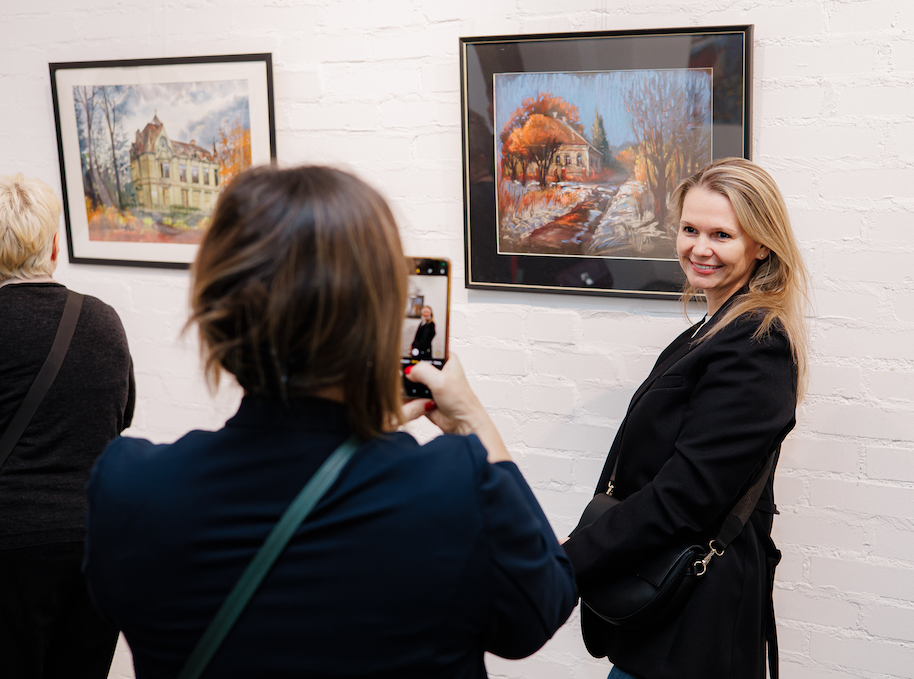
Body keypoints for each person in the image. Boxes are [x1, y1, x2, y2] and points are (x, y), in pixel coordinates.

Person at [84, 165, 576, 679]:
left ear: (216, 310)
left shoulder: (126, 487)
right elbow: (544, 604)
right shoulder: (457, 488)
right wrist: (471, 418)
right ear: (381, 317)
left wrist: (356, 439)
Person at [562, 158, 808, 679]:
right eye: (690, 229)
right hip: (664, 624)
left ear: (761, 245)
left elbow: (683, 497)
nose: (699, 248)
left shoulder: (755, 347)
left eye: (722, 235)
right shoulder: (713, 330)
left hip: (693, 631)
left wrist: (572, 557)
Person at [0, 173, 135, 678]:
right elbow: (120, 418)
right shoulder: (104, 320)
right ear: (55, 247)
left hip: (10, 546)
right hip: (95, 542)